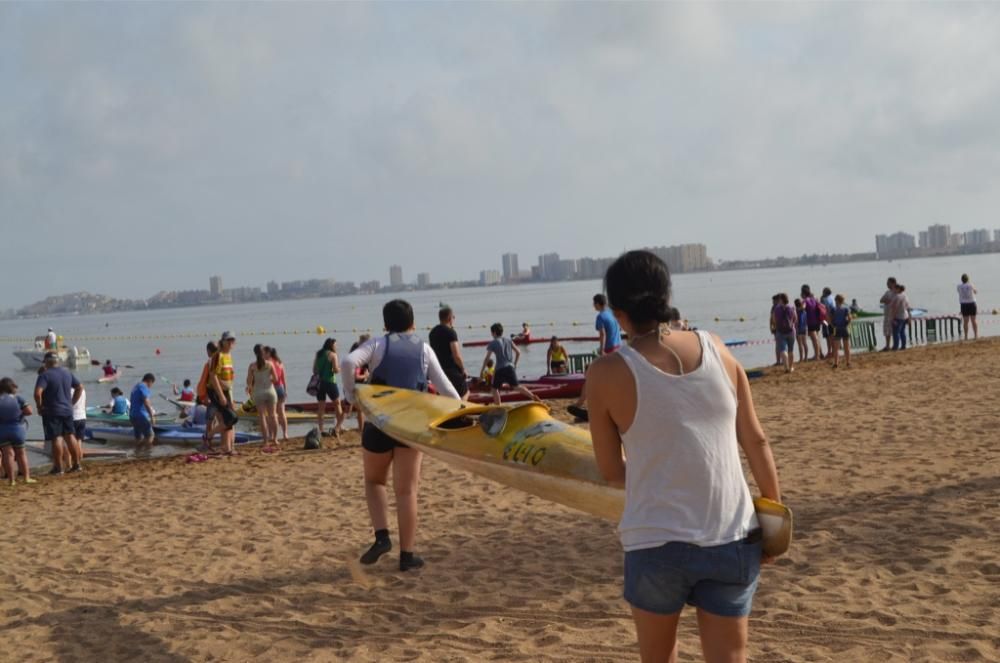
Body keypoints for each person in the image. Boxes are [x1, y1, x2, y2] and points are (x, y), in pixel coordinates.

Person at [585, 250, 781, 663]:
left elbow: (610, 470)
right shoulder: (717, 348)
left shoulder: (605, 374)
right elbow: (757, 442)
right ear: (666, 294)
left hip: (655, 540)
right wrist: (775, 520)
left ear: (618, 314)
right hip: (732, 533)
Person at [342, 299, 461, 572]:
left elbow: (348, 362)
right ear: (413, 324)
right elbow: (447, 390)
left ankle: (382, 537)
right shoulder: (425, 350)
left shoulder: (377, 344)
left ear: (385, 324)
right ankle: (407, 556)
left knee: (374, 482)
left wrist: (351, 396)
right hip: (410, 428)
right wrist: (463, 412)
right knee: (407, 491)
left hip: (378, 424)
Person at [569, 294, 623, 417]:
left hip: (608, 350)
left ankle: (580, 403)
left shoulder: (600, 317)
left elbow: (602, 334)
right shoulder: (612, 313)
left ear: (598, 304)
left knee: (590, 374)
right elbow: (618, 330)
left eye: (594, 303)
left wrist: (602, 350)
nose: (593, 306)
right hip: (619, 349)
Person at [34, 352, 83, 475]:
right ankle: (77, 465)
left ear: (46, 362)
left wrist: (39, 407)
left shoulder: (45, 375)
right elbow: (80, 387)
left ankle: (58, 467)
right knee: (70, 436)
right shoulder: (67, 372)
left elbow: (37, 393)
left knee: (57, 438)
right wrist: (71, 403)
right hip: (67, 410)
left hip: (52, 411)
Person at [481, 323, 540, 405]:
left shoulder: (493, 343)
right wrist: (515, 364)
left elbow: (487, 358)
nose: (491, 334)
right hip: (510, 367)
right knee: (517, 386)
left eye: (491, 332)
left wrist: (482, 370)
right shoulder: (508, 340)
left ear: (494, 333)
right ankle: (532, 396)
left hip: (500, 369)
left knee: (494, 389)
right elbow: (518, 352)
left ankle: (498, 407)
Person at [207, 333, 239, 455]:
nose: (231, 343)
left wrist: (230, 398)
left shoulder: (228, 355)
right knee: (230, 418)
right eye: (229, 340)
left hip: (226, 391)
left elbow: (229, 378)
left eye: (233, 340)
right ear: (223, 341)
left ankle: (228, 448)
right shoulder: (218, 356)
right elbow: (213, 376)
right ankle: (209, 436)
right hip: (215, 391)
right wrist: (220, 395)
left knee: (230, 419)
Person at [0, 377, 36, 486]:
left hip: (2, 430)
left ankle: (11, 480)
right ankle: (26, 477)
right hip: (17, 429)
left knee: (7, 454)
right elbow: (29, 411)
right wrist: (19, 413)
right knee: (21, 453)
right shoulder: (18, 398)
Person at [429, 307, 469, 400]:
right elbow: (456, 355)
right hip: (451, 369)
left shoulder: (432, 332)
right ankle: (460, 413)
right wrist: (463, 369)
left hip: (438, 369)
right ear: (449, 318)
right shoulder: (450, 332)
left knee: (446, 396)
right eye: (453, 317)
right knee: (465, 392)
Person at [247, 344, 279, 452]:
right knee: (273, 415)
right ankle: (275, 439)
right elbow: (276, 379)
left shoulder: (252, 366)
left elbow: (249, 382)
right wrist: (269, 379)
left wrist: (250, 387)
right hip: (270, 391)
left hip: (259, 392)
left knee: (262, 417)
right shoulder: (269, 364)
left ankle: (265, 441)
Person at [313, 338, 345, 438]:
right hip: (330, 382)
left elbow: (314, 370)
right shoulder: (333, 355)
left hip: (319, 383)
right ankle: (339, 427)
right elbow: (335, 370)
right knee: (337, 404)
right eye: (335, 345)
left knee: (321, 407)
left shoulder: (318, 354)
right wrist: (341, 368)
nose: (337, 346)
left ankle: (321, 429)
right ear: (331, 345)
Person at [196, 341, 220, 451]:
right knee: (217, 420)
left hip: (212, 396)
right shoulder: (222, 361)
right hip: (221, 395)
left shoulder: (210, 362)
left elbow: (205, 380)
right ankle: (224, 443)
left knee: (210, 422)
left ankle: (207, 443)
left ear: (208, 351)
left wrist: (203, 395)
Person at [268, 346, 289, 442]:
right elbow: (284, 379)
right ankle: (285, 434)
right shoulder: (280, 363)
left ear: (269, 354)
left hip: (271, 388)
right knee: (282, 412)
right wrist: (285, 390)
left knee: (272, 414)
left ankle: (271, 435)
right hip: (280, 388)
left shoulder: (268, 363)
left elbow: (268, 378)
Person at [129, 374, 157, 449]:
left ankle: (137, 454)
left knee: (138, 437)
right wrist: (152, 416)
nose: (150, 386)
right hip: (141, 415)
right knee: (150, 435)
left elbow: (131, 401)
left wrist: (130, 415)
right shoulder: (144, 387)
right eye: (151, 384)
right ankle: (147, 454)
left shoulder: (135, 387)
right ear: (150, 381)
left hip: (133, 415)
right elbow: (146, 402)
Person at [771, 293, 796, 373]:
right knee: (791, 350)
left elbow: (774, 320)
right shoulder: (792, 307)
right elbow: (795, 318)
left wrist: (775, 326)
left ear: (781, 300)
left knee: (783, 350)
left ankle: (786, 368)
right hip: (791, 331)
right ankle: (791, 367)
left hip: (780, 332)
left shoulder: (777, 308)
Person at [830, 294, 852, 369]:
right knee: (847, 347)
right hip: (844, 328)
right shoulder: (846, 309)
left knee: (836, 348)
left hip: (838, 328)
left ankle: (836, 363)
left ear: (836, 300)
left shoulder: (833, 309)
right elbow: (849, 318)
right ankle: (848, 362)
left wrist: (833, 326)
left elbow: (831, 319)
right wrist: (847, 324)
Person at [800, 285, 821, 361]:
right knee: (816, 338)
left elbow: (803, 307)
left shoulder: (805, 300)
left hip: (810, 321)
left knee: (814, 338)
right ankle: (818, 354)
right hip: (817, 320)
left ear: (803, 293)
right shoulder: (814, 299)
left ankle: (817, 356)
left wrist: (800, 307)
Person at [879, 277, 898, 351]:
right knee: (887, 331)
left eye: (888, 283)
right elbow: (881, 300)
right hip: (887, 314)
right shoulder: (888, 292)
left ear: (893, 283)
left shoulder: (896, 292)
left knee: (894, 330)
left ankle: (894, 345)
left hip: (893, 314)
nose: (887, 284)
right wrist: (886, 300)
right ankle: (888, 345)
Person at [958, 274, 979, 340]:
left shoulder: (959, 286)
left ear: (962, 280)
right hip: (972, 303)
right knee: (973, 320)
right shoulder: (970, 285)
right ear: (968, 279)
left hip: (964, 304)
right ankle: (975, 335)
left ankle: (966, 336)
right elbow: (975, 292)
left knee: (965, 321)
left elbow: (959, 292)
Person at [891, 284, 910, 351]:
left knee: (896, 332)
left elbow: (894, 308)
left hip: (898, 316)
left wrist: (892, 318)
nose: (893, 290)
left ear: (898, 289)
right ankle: (903, 345)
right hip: (905, 316)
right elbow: (908, 307)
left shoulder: (896, 297)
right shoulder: (905, 296)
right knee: (902, 331)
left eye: (894, 289)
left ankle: (895, 346)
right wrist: (909, 317)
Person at [72, 384, 88, 461]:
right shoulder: (83, 391)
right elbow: (85, 404)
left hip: (74, 417)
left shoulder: (69, 391)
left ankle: (75, 460)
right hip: (82, 416)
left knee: (72, 440)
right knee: (79, 440)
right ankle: (80, 459)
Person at [820, 287, 836, 359]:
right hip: (834, 319)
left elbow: (827, 311)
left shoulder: (826, 299)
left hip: (828, 320)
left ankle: (831, 352)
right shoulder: (833, 297)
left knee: (829, 336)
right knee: (832, 336)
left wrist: (828, 321)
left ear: (825, 293)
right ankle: (833, 351)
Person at [794, 299, 808, 364]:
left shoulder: (796, 311)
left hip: (798, 329)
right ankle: (806, 357)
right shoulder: (804, 311)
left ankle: (801, 358)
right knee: (804, 343)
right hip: (804, 328)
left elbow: (795, 321)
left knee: (800, 344)